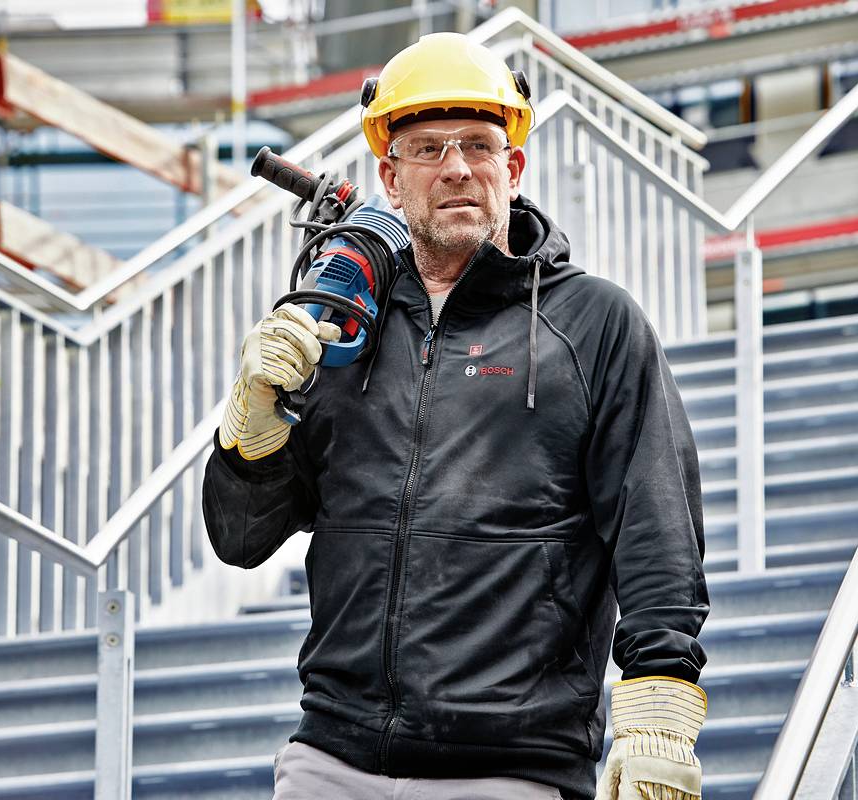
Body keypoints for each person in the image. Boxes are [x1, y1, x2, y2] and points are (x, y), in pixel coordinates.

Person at [203, 31, 710, 800]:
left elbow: (657, 531)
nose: (458, 168)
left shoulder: (594, 325)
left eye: (479, 145)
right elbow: (242, 539)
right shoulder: (342, 327)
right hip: (331, 761)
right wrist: (251, 425)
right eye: (430, 147)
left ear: (513, 168)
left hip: (511, 770)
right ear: (390, 176)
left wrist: (660, 710)